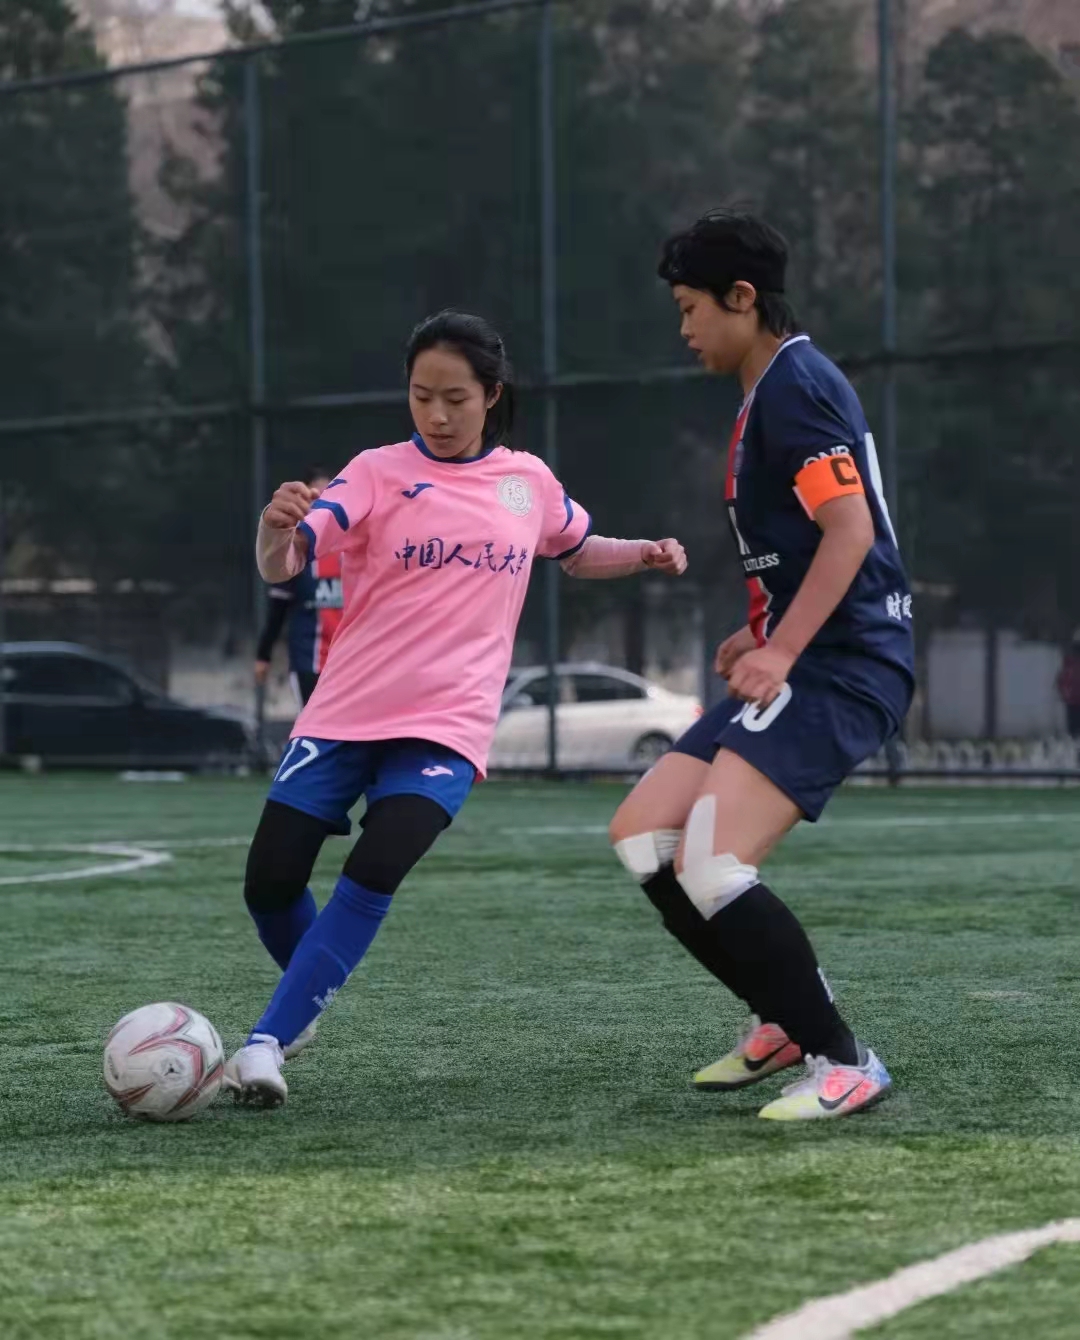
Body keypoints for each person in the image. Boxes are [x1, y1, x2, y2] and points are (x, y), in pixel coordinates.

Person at [227, 310, 688, 1107]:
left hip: (448, 723)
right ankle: (304, 999)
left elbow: (577, 550)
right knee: (269, 883)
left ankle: (267, 1040)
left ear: (491, 395)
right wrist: (275, 532)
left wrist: (642, 554)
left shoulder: (526, 483)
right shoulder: (374, 471)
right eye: (421, 396)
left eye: (455, 398)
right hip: (344, 712)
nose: (436, 415)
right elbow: (292, 556)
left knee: (378, 864)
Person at [608, 209, 915, 1121]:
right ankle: (781, 1018)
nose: (684, 327)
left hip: (847, 665)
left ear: (743, 298)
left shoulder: (797, 387)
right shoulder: (769, 388)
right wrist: (764, 632)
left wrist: (783, 647)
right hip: (812, 652)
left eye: (691, 306)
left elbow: (849, 532)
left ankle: (845, 1060)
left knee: (711, 861)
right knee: (644, 835)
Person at [254, 468, 344, 708]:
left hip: (348, 664)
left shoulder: (351, 550)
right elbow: (277, 610)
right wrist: (263, 655)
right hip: (308, 663)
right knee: (314, 724)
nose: (323, 504)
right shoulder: (297, 551)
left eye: (329, 496)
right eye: (316, 497)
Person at [1057, 631, 1080, 741]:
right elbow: (1062, 681)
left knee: (1073, 732)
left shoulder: (1068, 663)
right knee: (1073, 732)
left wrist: (1064, 694)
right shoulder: (1069, 663)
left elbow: (1062, 681)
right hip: (1072, 702)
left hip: (1071, 701)